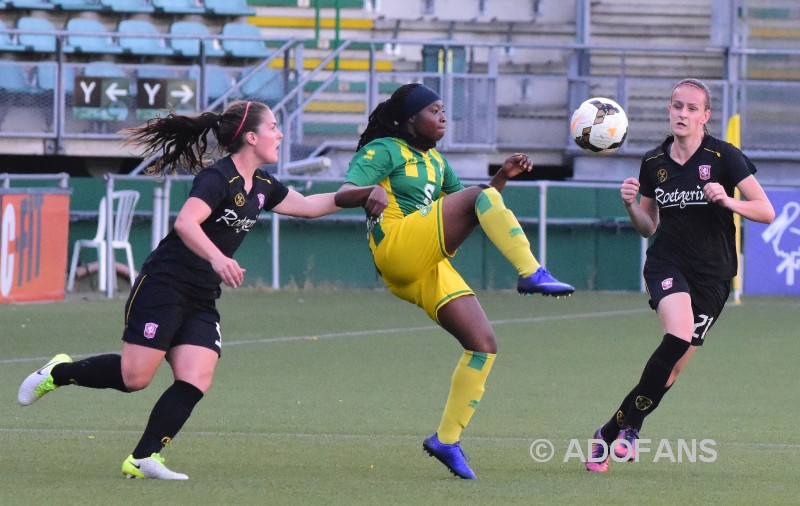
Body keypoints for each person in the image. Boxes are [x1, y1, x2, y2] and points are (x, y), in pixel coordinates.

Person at [18, 100, 341, 479]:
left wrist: (364, 192)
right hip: (165, 285)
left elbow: (311, 205)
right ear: (251, 137)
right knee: (134, 379)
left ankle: (142, 458)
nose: (280, 133)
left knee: (196, 376)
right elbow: (186, 223)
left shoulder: (265, 186)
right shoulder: (217, 178)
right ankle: (59, 373)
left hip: (201, 296)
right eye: (273, 126)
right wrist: (219, 259)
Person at [333, 83, 574, 479]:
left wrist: (501, 177)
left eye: (445, 110)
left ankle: (446, 439)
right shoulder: (384, 150)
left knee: (483, 345)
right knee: (478, 197)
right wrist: (368, 191)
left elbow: (480, 206)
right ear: (411, 119)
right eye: (434, 110)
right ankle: (531, 272)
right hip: (395, 246)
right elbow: (343, 194)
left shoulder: (438, 163)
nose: (443, 117)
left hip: (425, 264)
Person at [585, 78, 775, 473]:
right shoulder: (654, 162)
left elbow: (766, 211)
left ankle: (607, 431)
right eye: (676, 106)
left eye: (691, 108)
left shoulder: (724, 156)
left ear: (706, 116)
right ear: (669, 110)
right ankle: (632, 426)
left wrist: (727, 201)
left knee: (672, 368)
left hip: (714, 276)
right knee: (677, 333)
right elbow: (647, 227)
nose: (682, 114)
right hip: (667, 264)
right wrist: (630, 205)